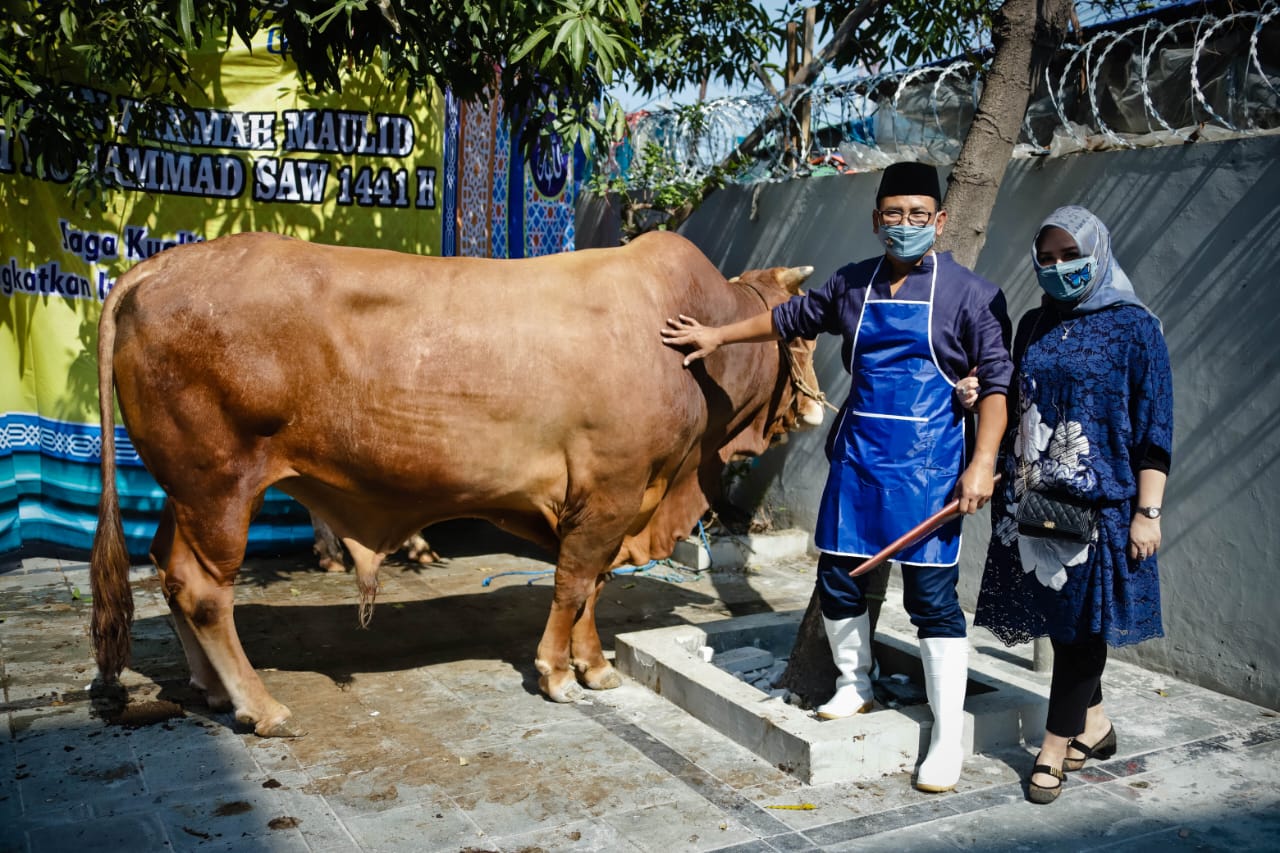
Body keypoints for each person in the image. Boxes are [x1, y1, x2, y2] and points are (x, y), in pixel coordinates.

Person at [661, 162, 1013, 793]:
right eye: (893, 214)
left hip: (931, 469)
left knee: (931, 600)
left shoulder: (973, 295)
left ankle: (946, 733)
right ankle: (856, 685)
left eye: (917, 215)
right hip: (859, 461)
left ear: (939, 221)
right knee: (839, 580)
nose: (904, 226)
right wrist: (718, 334)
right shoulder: (852, 284)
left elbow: (996, 386)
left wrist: (982, 462)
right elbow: (787, 319)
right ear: (877, 219)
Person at [959, 205, 1172, 805]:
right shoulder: (1031, 325)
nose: (1058, 268)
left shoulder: (1136, 328)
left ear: (1097, 254)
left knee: (1081, 630)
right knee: (1059, 625)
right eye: (1047, 258)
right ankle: (1095, 726)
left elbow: (1156, 426)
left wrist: (1147, 511)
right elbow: (1016, 395)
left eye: (1071, 255)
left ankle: (1054, 747)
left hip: (1101, 509)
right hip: (1033, 504)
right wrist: (980, 392)